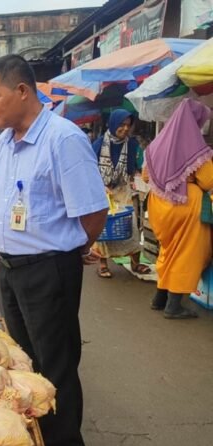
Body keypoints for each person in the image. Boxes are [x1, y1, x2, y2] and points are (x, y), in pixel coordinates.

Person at [0, 54, 108, 446]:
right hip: (11, 268)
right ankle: (35, 442)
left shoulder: (63, 139)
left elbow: (93, 211)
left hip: (48, 269)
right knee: (24, 361)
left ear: (22, 91)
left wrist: (67, 250)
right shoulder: (4, 140)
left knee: (56, 365)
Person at [145, 98, 213, 319]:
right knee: (188, 253)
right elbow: (208, 180)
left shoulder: (157, 144)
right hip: (185, 205)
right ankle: (173, 306)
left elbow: (146, 174)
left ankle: (160, 298)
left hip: (159, 206)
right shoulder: (196, 149)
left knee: (169, 250)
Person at [91, 109, 148, 278]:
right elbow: (89, 168)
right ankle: (102, 264)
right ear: (113, 123)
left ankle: (135, 263)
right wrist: (100, 186)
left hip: (123, 189)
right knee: (105, 228)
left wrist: (139, 175)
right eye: (121, 124)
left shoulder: (132, 144)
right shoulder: (99, 144)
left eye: (128, 125)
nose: (125, 128)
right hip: (102, 190)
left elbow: (139, 164)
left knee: (131, 226)